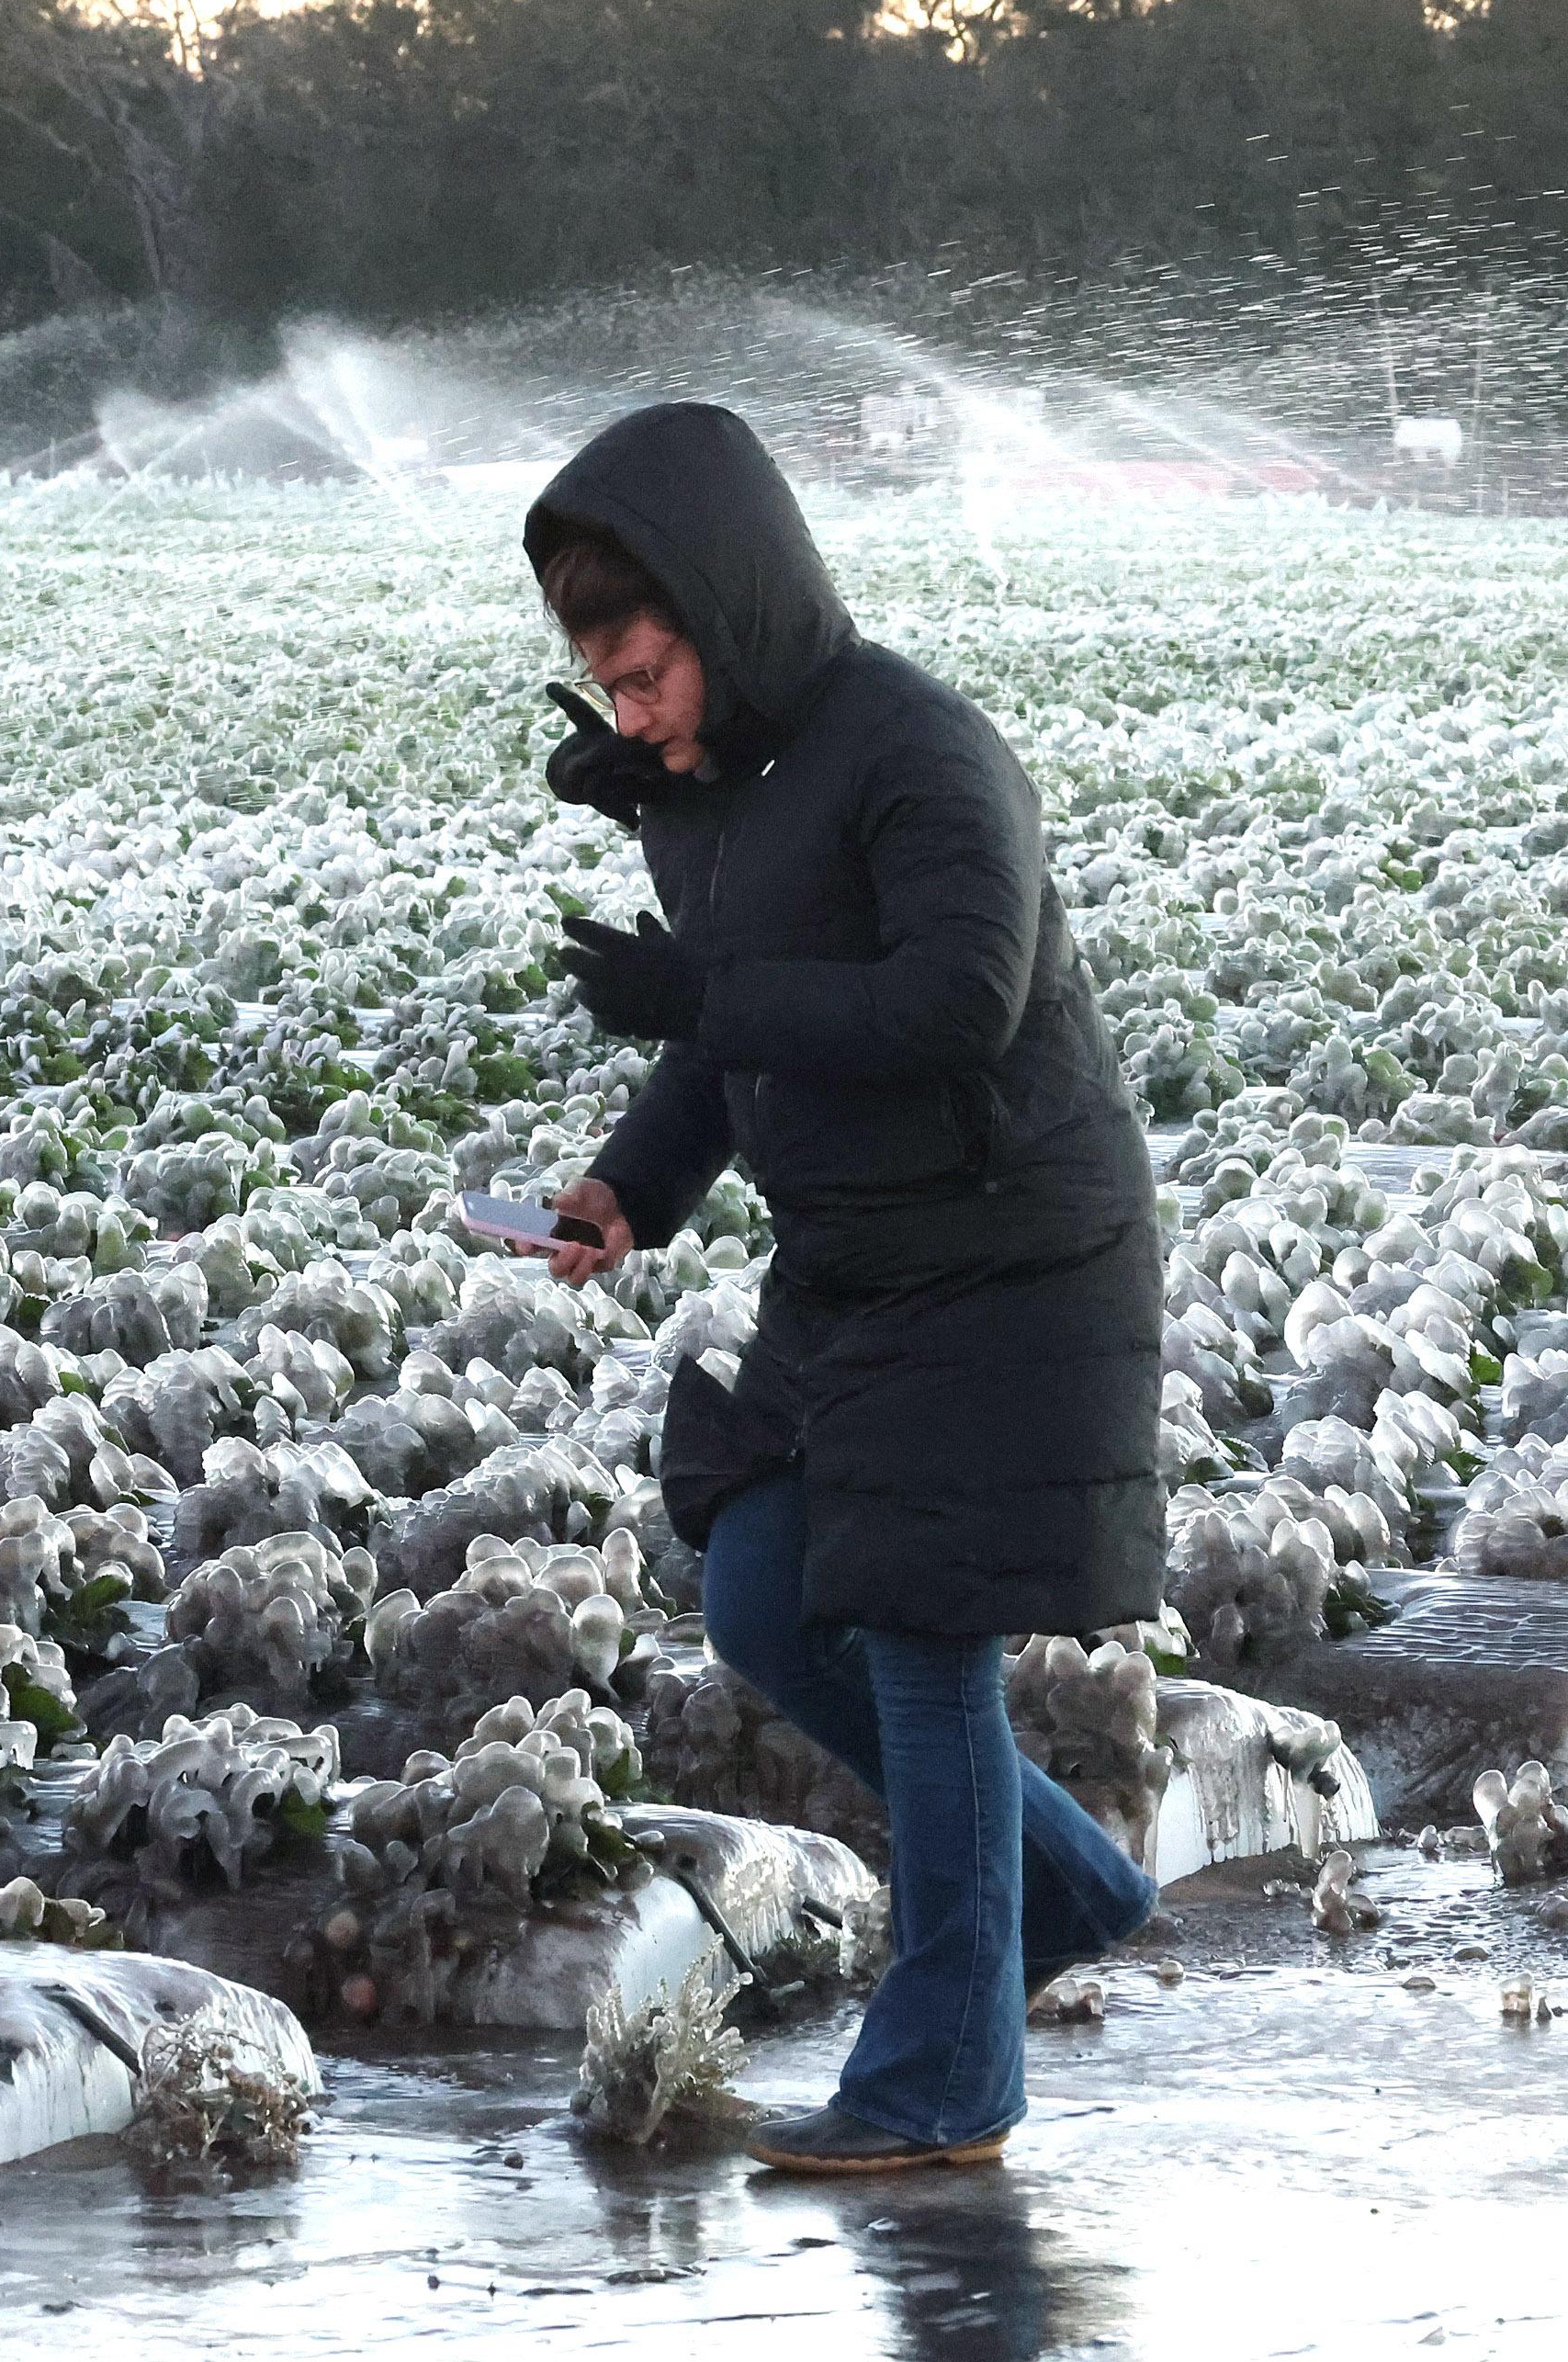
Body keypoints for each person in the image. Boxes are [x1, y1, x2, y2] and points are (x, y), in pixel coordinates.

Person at [519, 401, 1166, 2176]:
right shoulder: (718, 801)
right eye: (610, 683)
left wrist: (704, 1002)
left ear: (728, 611)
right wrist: (625, 1191)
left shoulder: (921, 754)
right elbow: (738, 1043)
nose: (632, 714)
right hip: (862, 1267)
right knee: (764, 1592)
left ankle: (945, 2083)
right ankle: (1074, 1890)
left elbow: (961, 997)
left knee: (916, 1633)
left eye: (647, 673)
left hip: (1011, 1252)